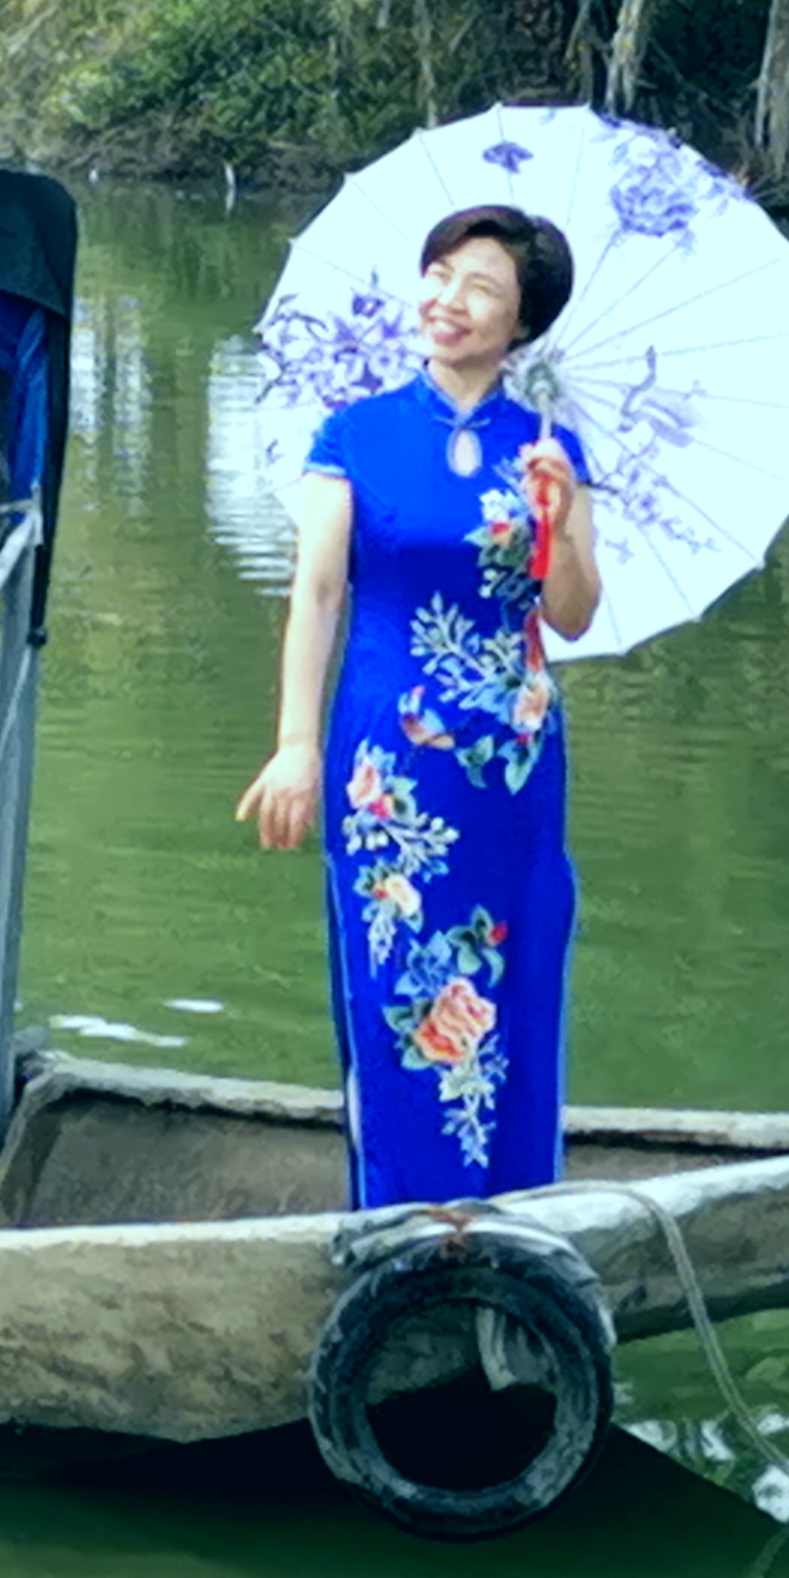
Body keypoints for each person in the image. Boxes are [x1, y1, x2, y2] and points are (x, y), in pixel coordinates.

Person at [235, 205, 602, 1207]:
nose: (448, 299)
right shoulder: (356, 435)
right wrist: (295, 745)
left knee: (518, 980)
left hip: (516, 768)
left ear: (521, 323)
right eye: (440, 273)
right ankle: (405, 1224)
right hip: (388, 768)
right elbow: (317, 594)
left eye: (480, 287)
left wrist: (560, 521)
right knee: (399, 981)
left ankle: (517, 1224)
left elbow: (571, 615)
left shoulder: (548, 447)